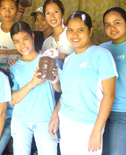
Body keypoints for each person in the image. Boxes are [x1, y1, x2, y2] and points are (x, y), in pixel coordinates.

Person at [49, 11, 117, 155]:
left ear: (90, 31)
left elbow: (109, 95)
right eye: (70, 30)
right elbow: (66, 92)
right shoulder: (68, 60)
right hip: (66, 121)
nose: (75, 35)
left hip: (89, 125)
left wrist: (97, 131)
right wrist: (56, 114)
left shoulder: (101, 55)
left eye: (80, 30)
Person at [9, 21, 59, 155]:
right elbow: (12, 100)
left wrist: (55, 81)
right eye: (17, 41)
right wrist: (32, 83)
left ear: (32, 37)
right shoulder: (14, 67)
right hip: (21, 121)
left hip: (45, 119)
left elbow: (60, 90)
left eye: (25, 39)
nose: (22, 45)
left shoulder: (48, 60)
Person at [100, 7, 126, 155]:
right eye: (107, 24)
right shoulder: (102, 49)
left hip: (122, 111)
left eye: (117, 23)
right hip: (102, 110)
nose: (112, 28)